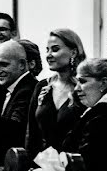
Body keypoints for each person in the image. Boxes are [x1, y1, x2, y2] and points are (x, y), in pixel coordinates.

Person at [25, 29, 86, 157]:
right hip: (42, 166)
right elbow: (32, 135)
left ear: (73, 52)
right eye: (47, 50)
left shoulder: (84, 88)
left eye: (55, 49)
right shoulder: (42, 86)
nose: (49, 55)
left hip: (74, 165)